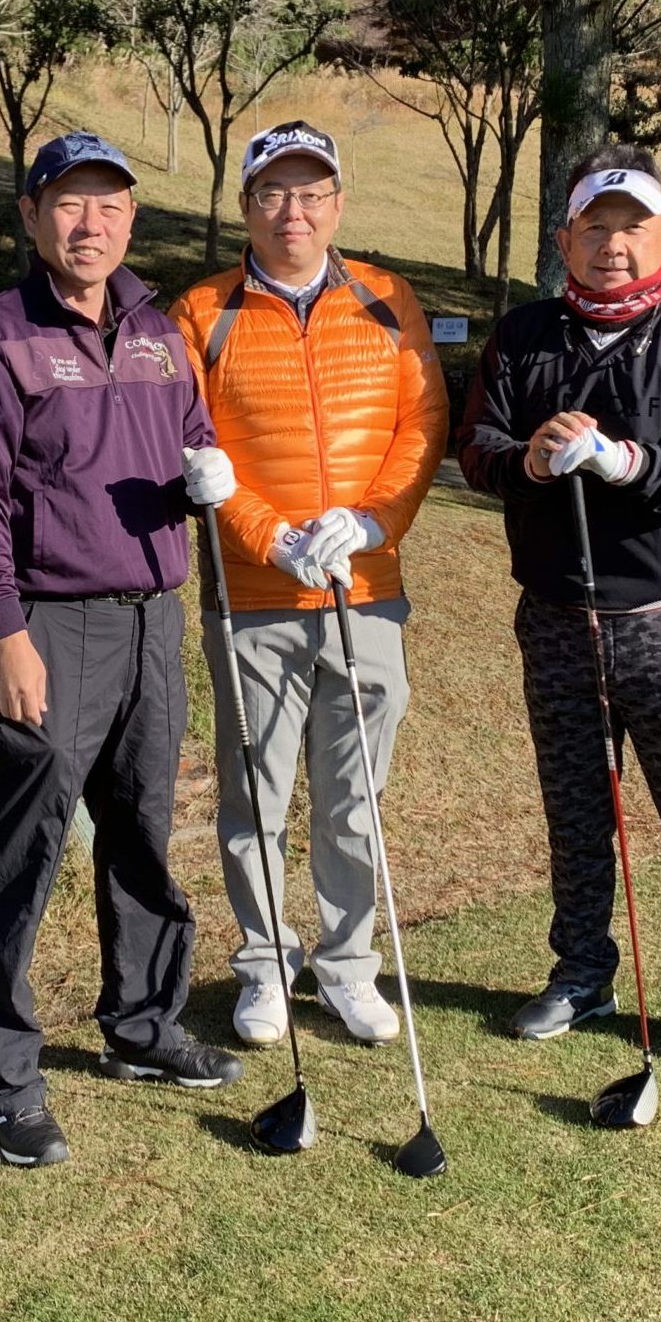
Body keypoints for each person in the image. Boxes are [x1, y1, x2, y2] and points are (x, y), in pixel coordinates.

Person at [0, 130, 243, 1169]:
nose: (90, 223)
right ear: (31, 216)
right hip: (51, 622)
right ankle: (7, 1078)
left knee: (142, 828)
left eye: (109, 205)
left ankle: (143, 1024)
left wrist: (208, 471)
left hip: (155, 616)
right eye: (68, 203)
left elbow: (192, 434)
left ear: (130, 219)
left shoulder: (157, 328)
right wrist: (6, 632)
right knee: (20, 850)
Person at [456, 142, 661, 1079]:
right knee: (576, 813)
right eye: (596, 228)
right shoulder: (524, 335)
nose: (613, 246)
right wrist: (529, 460)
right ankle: (582, 972)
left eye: (633, 228)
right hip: (557, 618)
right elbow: (477, 448)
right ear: (565, 240)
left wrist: (627, 462)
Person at [169, 121, 448, 1048]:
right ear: (246, 206)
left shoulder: (386, 297)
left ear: (337, 203)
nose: (293, 210)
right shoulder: (201, 311)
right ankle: (262, 966)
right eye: (273, 193)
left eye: (311, 192)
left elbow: (422, 421)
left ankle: (347, 966)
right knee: (254, 796)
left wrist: (373, 522)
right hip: (253, 598)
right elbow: (193, 451)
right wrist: (268, 536)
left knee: (353, 798)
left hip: (364, 592)